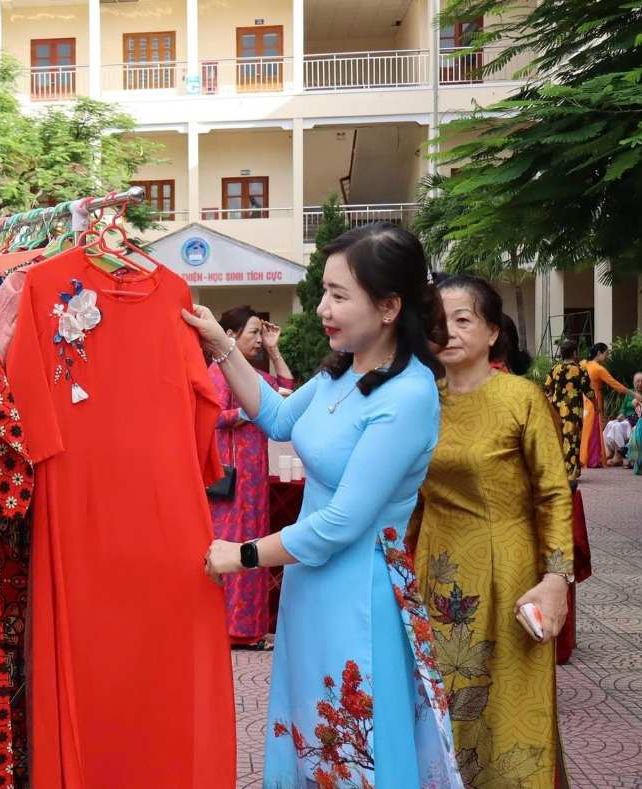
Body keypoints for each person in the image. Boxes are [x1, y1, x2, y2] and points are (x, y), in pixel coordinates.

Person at [186, 223, 462, 788]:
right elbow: (278, 417)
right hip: (311, 585)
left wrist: (240, 555)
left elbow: (343, 521)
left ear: (389, 306)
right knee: (308, 722)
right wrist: (218, 340)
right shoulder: (345, 368)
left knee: (354, 741)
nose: (322, 309)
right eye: (324, 293)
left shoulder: (407, 395)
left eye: (338, 295)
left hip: (360, 590)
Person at [413, 274, 573, 788]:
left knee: (509, 703)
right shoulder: (419, 400)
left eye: (464, 319)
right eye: (440, 321)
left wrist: (557, 579)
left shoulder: (521, 398)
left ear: (492, 333)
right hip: (437, 573)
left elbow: (554, 493)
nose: (450, 331)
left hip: (510, 571)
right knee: (441, 701)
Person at [207, 306, 293, 648]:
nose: (258, 339)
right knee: (237, 546)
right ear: (229, 335)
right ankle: (232, 630)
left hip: (254, 477)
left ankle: (250, 629)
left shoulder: (252, 375)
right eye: (253, 333)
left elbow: (286, 386)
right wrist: (246, 413)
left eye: (260, 333)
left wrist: (274, 349)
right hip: (234, 477)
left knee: (254, 543)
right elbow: (211, 414)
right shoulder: (218, 371)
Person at [581, 343, 642, 468]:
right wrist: (634, 394)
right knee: (593, 429)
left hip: (583, 399)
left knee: (586, 429)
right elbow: (615, 384)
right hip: (593, 400)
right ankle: (592, 460)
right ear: (599, 353)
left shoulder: (583, 364)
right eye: (606, 353)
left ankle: (586, 458)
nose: (607, 356)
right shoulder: (599, 369)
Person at [543, 340, 592, 482]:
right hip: (573, 410)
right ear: (575, 353)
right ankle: (571, 472)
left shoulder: (555, 368)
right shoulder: (580, 369)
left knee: (558, 438)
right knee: (572, 439)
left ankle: (557, 472)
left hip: (556, 408)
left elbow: (547, 387)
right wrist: (596, 405)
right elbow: (588, 391)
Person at [603, 371, 642, 466]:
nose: (640, 383)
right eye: (638, 381)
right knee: (610, 424)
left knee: (617, 427)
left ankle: (620, 455)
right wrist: (621, 414)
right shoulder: (629, 393)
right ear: (634, 383)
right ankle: (609, 451)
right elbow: (623, 408)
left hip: (637, 420)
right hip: (626, 419)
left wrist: (641, 401)